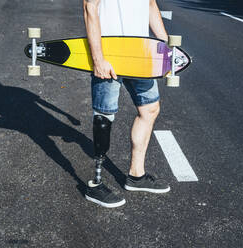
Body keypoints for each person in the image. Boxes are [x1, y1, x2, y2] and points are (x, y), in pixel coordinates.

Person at [83, 0, 171, 208]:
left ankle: (136, 175)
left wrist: (165, 46)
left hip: (140, 52)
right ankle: (95, 184)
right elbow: (90, 7)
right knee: (104, 117)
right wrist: (98, 59)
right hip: (110, 52)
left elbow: (150, 4)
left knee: (150, 108)